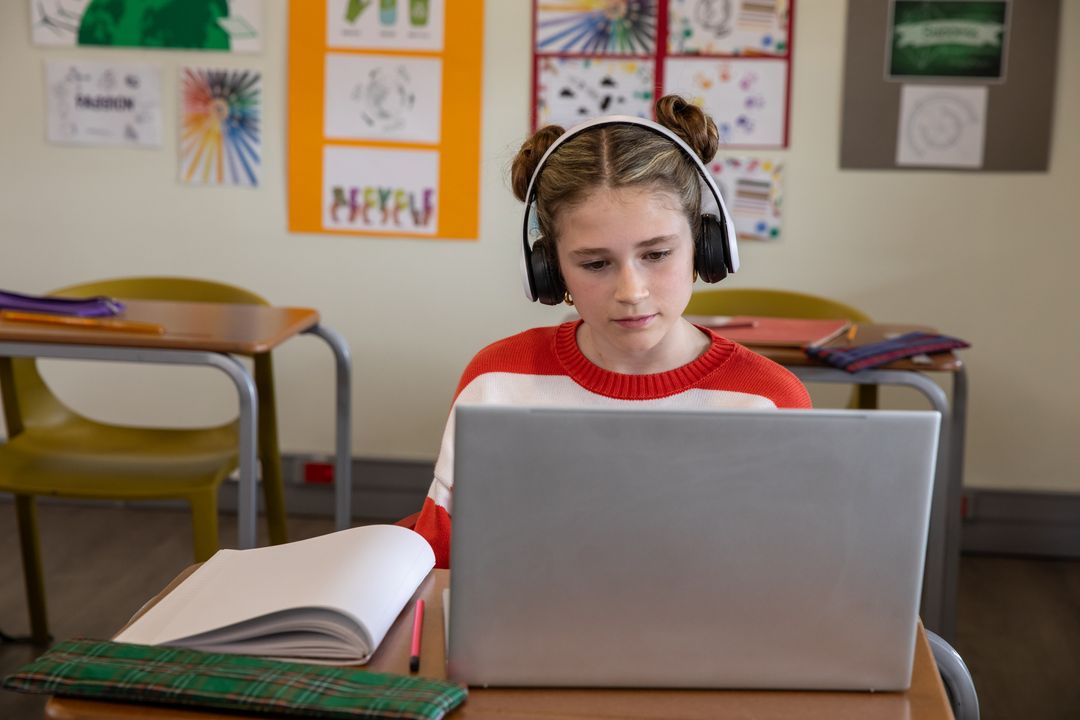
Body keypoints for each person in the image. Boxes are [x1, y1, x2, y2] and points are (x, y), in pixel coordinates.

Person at [412, 96, 810, 568]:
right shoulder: (496, 381)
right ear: (550, 271)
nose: (631, 291)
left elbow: (791, 572)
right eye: (596, 264)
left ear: (705, 248)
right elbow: (441, 564)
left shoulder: (767, 399)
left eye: (657, 254)